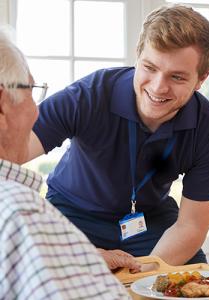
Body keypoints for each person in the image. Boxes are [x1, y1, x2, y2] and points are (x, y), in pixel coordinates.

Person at [27, 4, 209, 267]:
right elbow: (12, 148)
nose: (158, 87)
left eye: (177, 77)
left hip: (149, 220)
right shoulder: (89, 96)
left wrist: (141, 273)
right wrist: (80, 258)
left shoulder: (208, 127)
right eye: (150, 67)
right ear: (138, 56)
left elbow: (190, 226)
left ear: (201, 78)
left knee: (191, 285)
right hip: (72, 213)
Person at [0, 29, 135, 299]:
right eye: (31, 91)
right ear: (3, 103)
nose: (37, 109)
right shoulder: (20, 210)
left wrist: (78, 257)